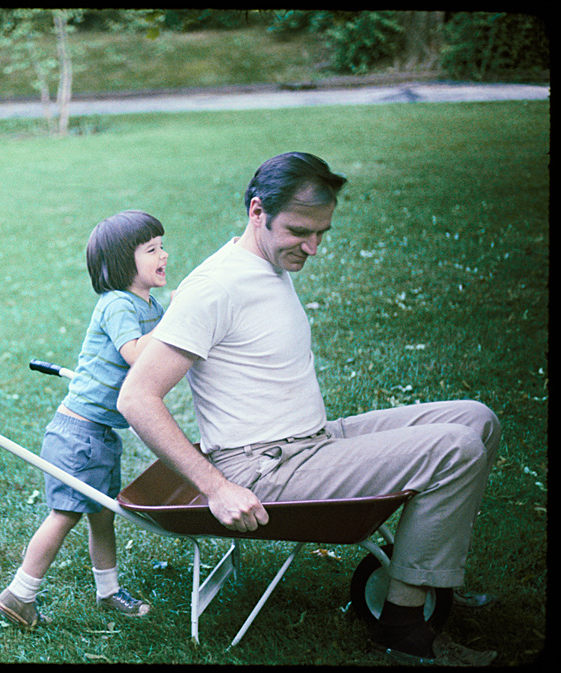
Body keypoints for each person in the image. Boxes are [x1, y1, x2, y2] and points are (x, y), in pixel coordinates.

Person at [117, 152, 499, 666]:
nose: (313, 248)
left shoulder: (269, 262)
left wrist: (293, 242)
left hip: (310, 441)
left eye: (322, 232)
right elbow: (137, 397)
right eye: (300, 231)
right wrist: (217, 487)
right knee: (453, 449)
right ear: (258, 212)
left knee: (476, 419)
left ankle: (427, 569)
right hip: (262, 466)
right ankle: (404, 631)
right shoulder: (214, 287)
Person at [0, 210, 169, 629]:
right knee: (64, 515)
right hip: (79, 434)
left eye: (162, 245)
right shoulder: (116, 305)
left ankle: (108, 591)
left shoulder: (149, 303)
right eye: (152, 250)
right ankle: (19, 594)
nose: (164, 254)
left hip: (101, 433)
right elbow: (135, 354)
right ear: (125, 263)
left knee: (103, 514)